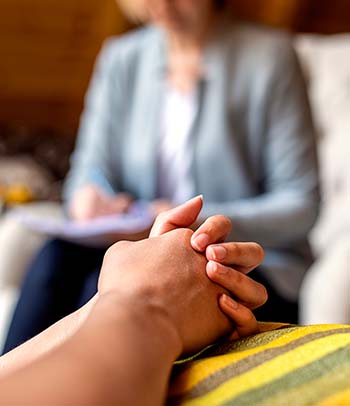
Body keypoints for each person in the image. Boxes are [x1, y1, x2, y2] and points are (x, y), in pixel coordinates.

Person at [3, 0, 319, 353]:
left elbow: (300, 204)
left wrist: (191, 221)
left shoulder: (270, 57)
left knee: (109, 289)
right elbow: (88, 173)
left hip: (239, 261)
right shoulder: (122, 58)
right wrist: (87, 201)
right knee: (54, 258)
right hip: (143, 247)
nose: (160, 4)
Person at [0, 198, 267, 405]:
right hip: (144, 246)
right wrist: (151, 304)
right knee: (56, 255)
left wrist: (119, 294)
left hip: (244, 259)